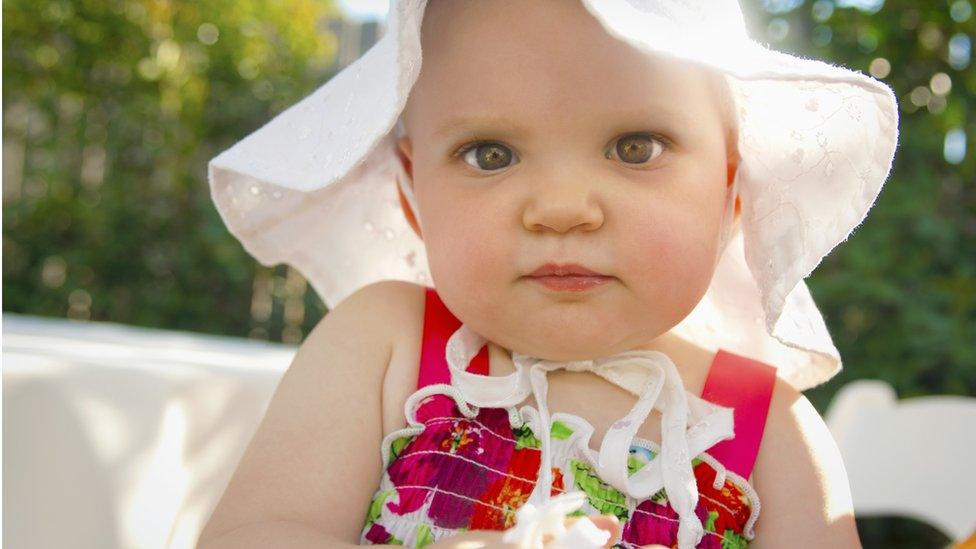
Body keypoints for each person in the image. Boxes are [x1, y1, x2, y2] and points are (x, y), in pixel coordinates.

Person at [197, 0, 899, 547]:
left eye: (635, 146)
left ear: (730, 191)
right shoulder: (385, 346)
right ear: (415, 195)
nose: (562, 209)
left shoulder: (767, 432)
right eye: (490, 154)